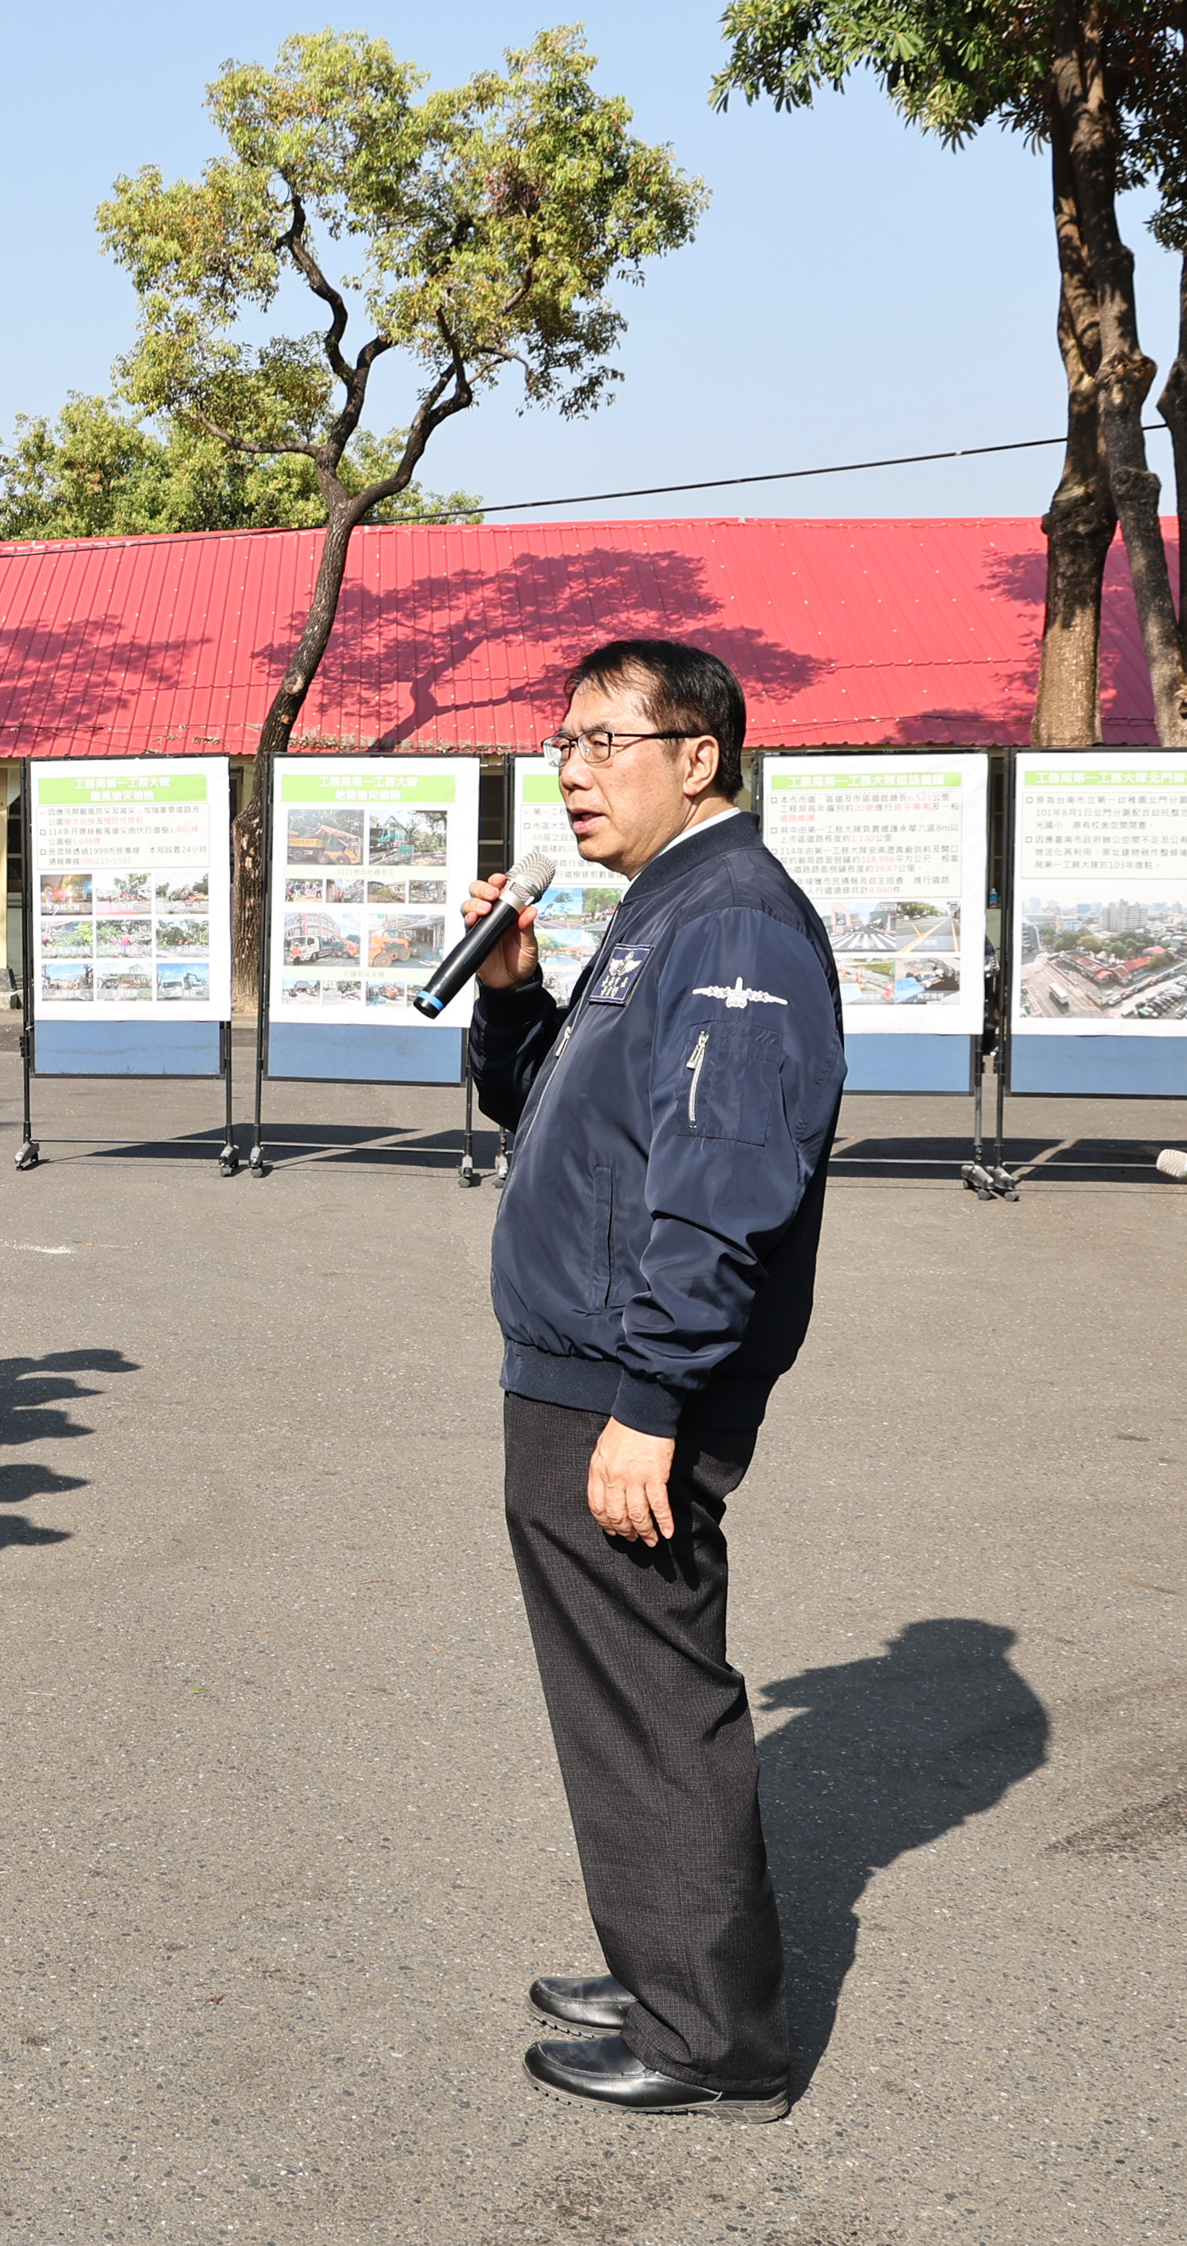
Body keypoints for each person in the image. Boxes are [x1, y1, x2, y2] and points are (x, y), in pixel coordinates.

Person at [459, 638, 840, 2123]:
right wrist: (510, 989)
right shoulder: (658, 908)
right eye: (561, 741)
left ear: (700, 755)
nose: (568, 769)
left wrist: (654, 1397)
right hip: (581, 1363)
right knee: (612, 1692)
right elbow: (553, 1100)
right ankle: (663, 1964)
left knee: (648, 1692)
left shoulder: (733, 918)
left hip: (623, 1381)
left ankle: (709, 2038)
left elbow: (721, 1183)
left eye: (603, 741)